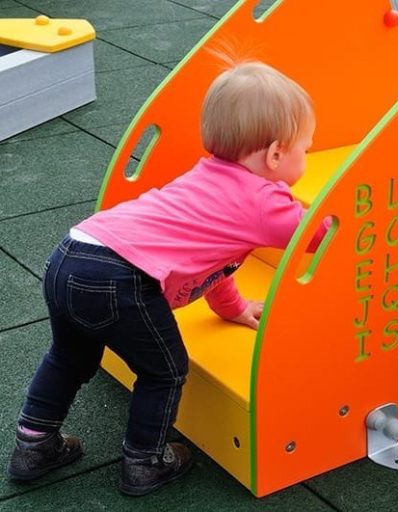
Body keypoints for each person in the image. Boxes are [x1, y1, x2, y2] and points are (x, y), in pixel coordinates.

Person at [7, 62, 328, 496]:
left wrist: (232, 308)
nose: (306, 158)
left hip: (72, 253)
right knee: (165, 371)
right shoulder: (263, 201)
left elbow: (213, 262)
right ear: (275, 154)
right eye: (305, 150)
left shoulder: (206, 176)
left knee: (68, 357)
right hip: (119, 278)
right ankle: (144, 461)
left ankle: (33, 445)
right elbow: (324, 233)